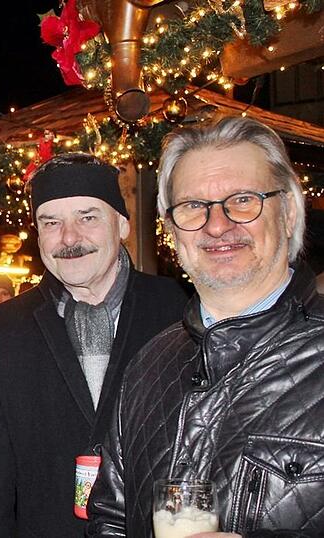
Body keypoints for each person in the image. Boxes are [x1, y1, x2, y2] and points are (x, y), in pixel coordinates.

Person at [87, 117, 324, 537]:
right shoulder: (149, 364)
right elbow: (110, 519)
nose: (217, 226)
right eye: (193, 207)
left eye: (243, 200)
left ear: (287, 213)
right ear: (172, 229)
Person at [0, 153, 188, 537]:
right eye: (51, 222)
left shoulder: (180, 312)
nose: (69, 238)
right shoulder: (1, 328)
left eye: (87, 217)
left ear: (121, 225)